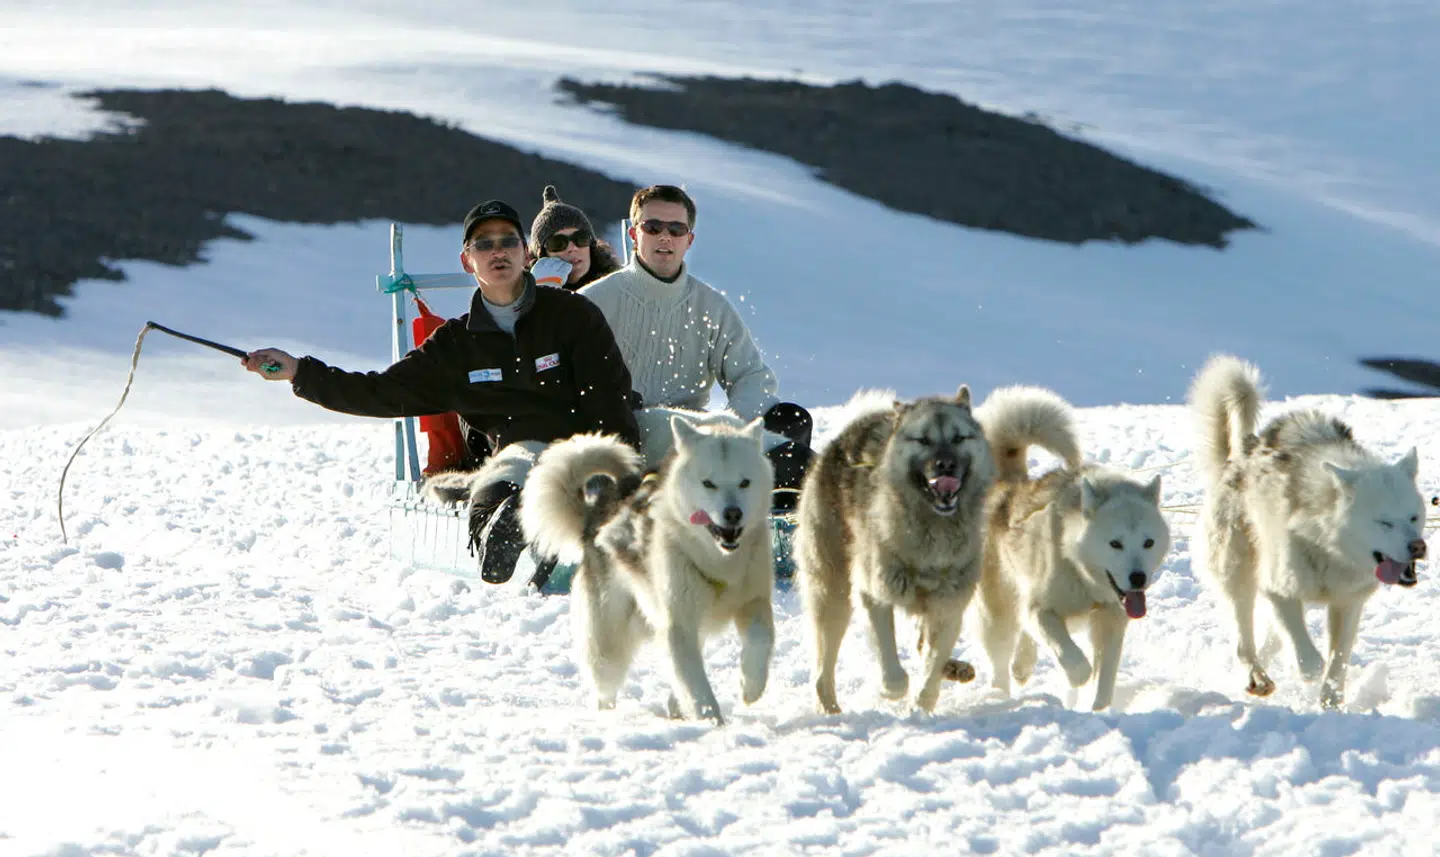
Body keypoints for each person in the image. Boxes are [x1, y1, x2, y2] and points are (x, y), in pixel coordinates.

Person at [242, 198, 640, 583]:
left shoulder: (573, 315)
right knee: (507, 473)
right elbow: (380, 391)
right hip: (524, 453)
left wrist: (614, 473)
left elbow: (610, 396)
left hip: (590, 444)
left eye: (507, 241)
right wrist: (299, 372)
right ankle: (498, 533)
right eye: (484, 244)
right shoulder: (455, 346)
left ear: (525, 254)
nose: (497, 251)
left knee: (671, 442)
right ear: (468, 261)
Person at [578, 184, 813, 511]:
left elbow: (752, 376)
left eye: (676, 229)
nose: (665, 237)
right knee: (796, 458)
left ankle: (778, 521)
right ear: (633, 234)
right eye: (653, 227)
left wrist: (736, 427)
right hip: (626, 436)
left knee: (792, 421)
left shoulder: (711, 306)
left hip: (699, 438)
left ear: (689, 240)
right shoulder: (593, 302)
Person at [527, 185, 623, 291]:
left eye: (580, 238)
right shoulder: (520, 298)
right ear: (541, 256)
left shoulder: (619, 289)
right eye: (558, 243)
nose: (572, 248)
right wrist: (543, 292)